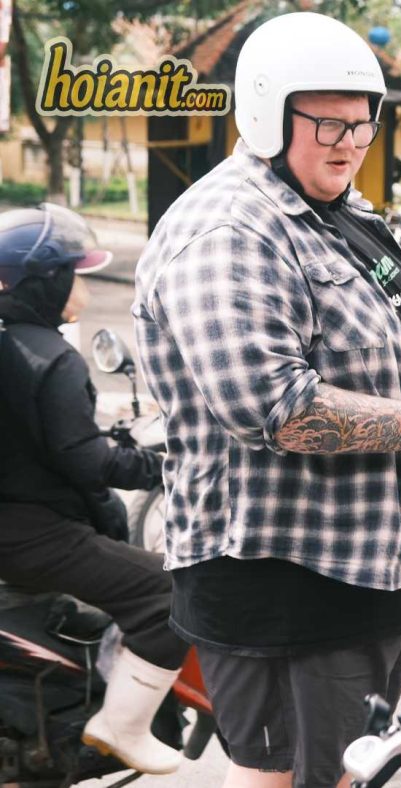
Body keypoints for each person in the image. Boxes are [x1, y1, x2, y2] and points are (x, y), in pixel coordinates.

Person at [131, 13, 401, 788]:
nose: (349, 142)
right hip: (288, 585)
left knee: (347, 771)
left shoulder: (341, 211)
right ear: (270, 113)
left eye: (363, 124)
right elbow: (271, 406)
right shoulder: (230, 229)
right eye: (329, 123)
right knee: (290, 778)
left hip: (369, 576)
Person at [0, 203, 189, 774]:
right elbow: (84, 461)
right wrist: (160, 468)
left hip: (15, 522)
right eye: (73, 274)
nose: (81, 285)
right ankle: (122, 724)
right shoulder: (53, 358)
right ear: (47, 281)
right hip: (35, 531)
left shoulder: (13, 344)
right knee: (170, 595)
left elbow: (42, 441)